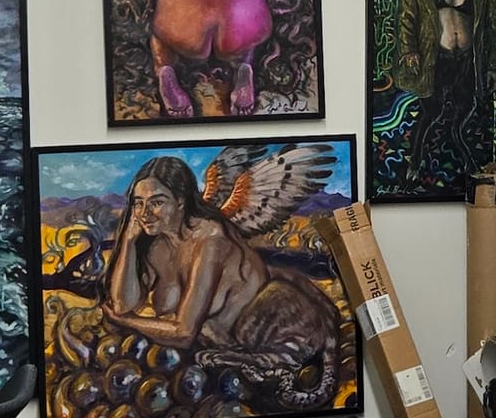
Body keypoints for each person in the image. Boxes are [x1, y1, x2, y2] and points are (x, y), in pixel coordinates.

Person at [98, 153, 338, 386]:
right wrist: (128, 242)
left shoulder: (210, 240)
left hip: (270, 335)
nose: (144, 213)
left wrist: (128, 322)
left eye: (157, 202)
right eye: (138, 203)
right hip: (217, 349)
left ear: (180, 201)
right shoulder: (156, 243)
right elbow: (122, 305)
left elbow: (183, 332)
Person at [392, 0, 496, 186]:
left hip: (467, 62)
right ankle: (415, 161)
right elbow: (406, 19)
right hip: (435, 60)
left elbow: (493, 29)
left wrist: (494, 67)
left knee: (463, 112)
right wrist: (409, 50)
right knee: (431, 111)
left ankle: (464, 158)